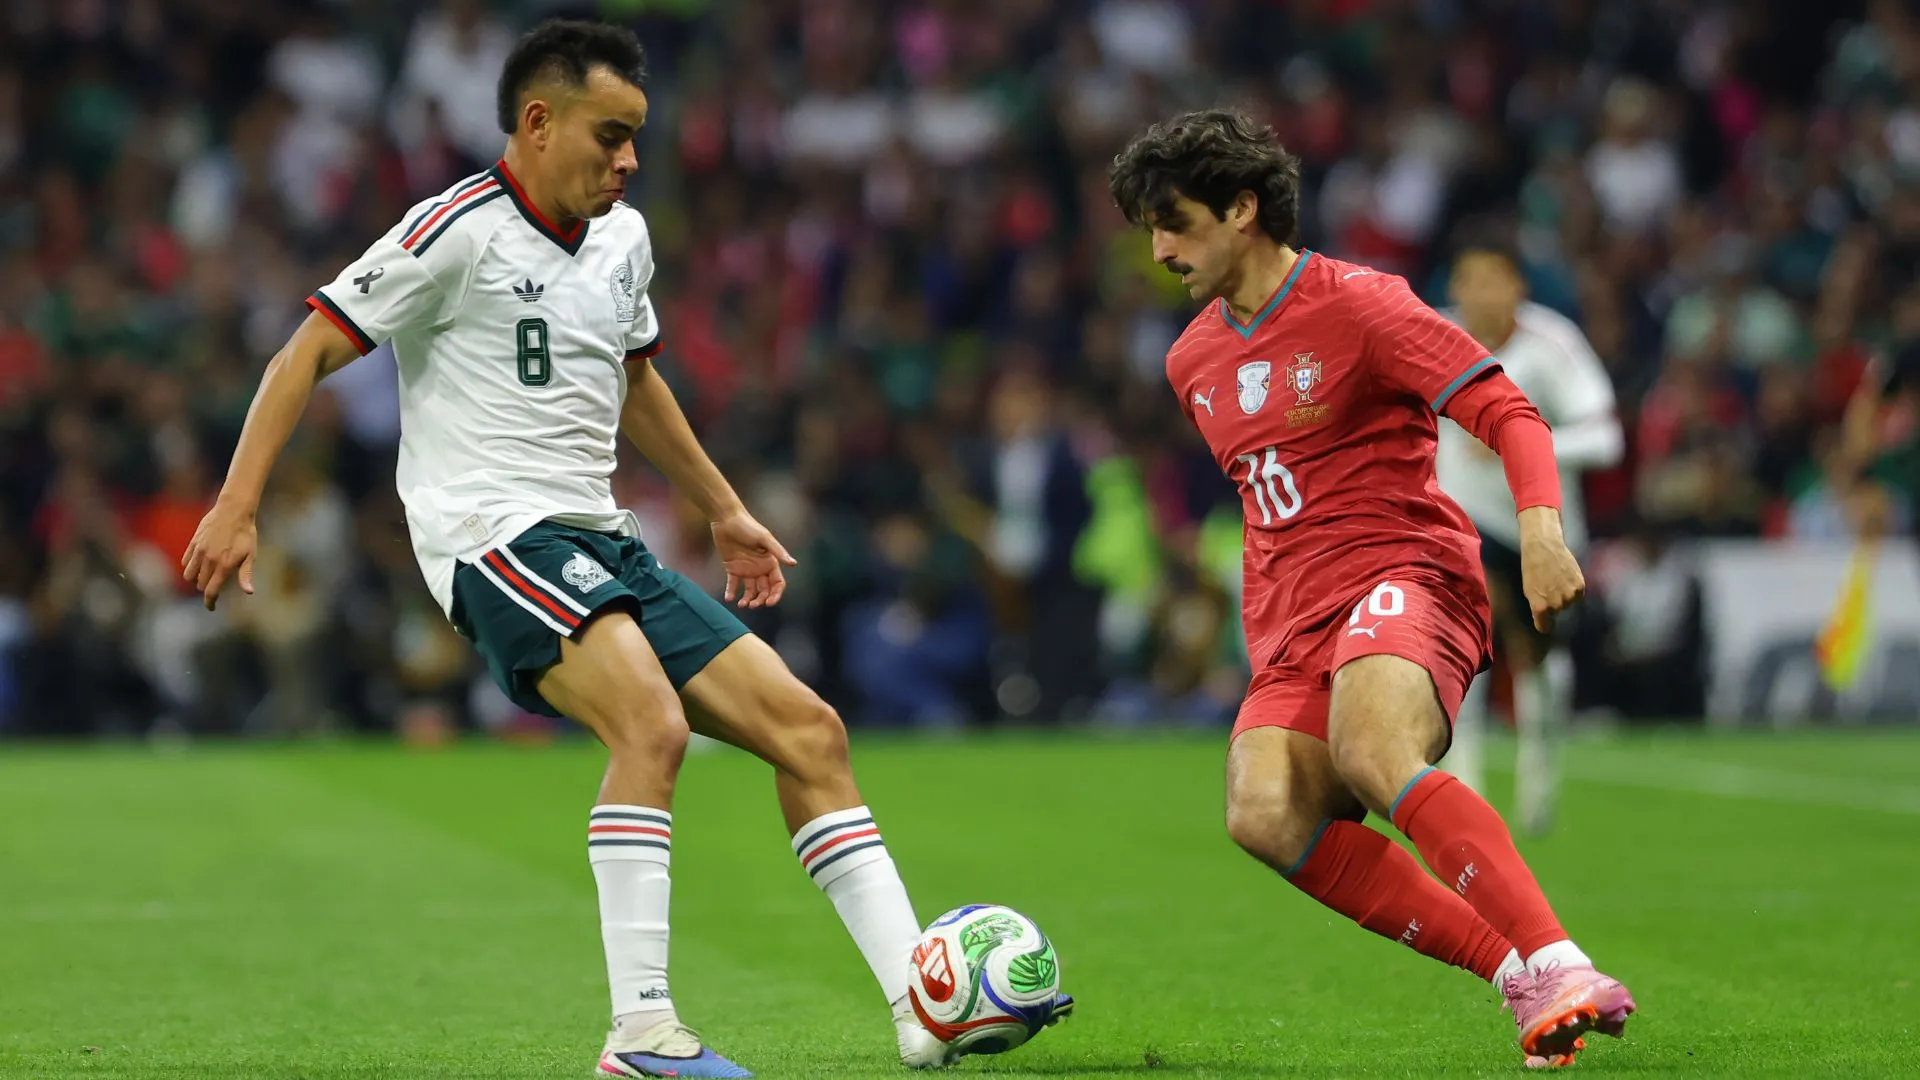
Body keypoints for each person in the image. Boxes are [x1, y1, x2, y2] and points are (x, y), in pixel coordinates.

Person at [179, 20, 1065, 1079]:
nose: (630, 159)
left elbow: (635, 378)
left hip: (600, 538)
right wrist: (237, 505)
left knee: (811, 732)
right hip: (488, 533)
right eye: (611, 135)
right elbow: (306, 348)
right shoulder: (452, 229)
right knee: (650, 723)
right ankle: (642, 1036)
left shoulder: (624, 238)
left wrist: (724, 508)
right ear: (539, 122)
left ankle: (922, 1015)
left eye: (638, 137)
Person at [1108, 109, 1635, 1068]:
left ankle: (1561, 959)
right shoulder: (1191, 362)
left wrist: (1542, 533)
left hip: (1407, 575)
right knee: (1262, 815)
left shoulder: (1365, 304)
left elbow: (1510, 412)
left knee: (1369, 746)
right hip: (1291, 622)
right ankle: (1517, 975)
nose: (1161, 249)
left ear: (1242, 208)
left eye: (1175, 222)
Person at [1434, 239, 1624, 834]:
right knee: (1466, 647)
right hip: (1459, 523)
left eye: (1495, 279)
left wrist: (1519, 445)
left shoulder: (1553, 345)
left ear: (1518, 286)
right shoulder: (1431, 337)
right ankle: (1465, 793)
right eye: (1469, 280)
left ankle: (1540, 784)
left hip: (1539, 531)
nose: (1480, 295)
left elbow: (1605, 439)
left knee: (1537, 659)